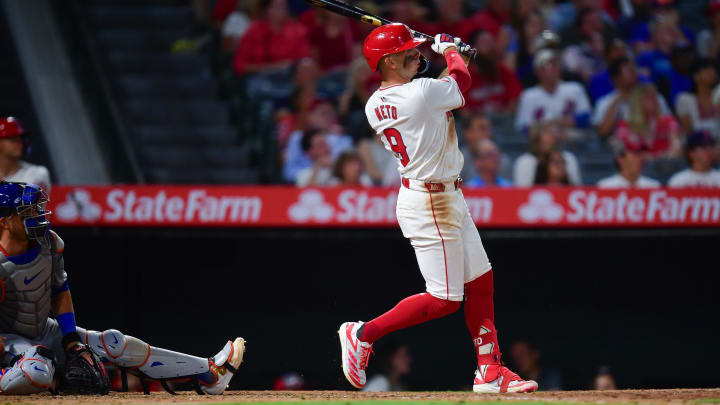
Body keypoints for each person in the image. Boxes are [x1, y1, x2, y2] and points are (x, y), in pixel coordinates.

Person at [338, 24, 538, 394]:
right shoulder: (417, 95)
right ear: (390, 62)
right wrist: (449, 49)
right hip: (430, 202)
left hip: (445, 197)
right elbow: (458, 82)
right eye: (410, 53)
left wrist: (446, 53)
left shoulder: (380, 101)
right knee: (445, 299)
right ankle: (363, 334)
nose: (418, 55)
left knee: (481, 279)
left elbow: (438, 87)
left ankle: (488, 370)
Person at [0, 182, 245, 395]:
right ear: (5, 222)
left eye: (35, 208)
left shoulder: (50, 243)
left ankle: (209, 373)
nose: (37, 215)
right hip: (9, 339)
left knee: (114, 342)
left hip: (44, 330)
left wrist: (71, 339)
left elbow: (59, 291)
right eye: (27, 211)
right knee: (36, 370)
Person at [592, 57, 671, 138]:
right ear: (616, 79)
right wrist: (617, 102)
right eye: (630, 71)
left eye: (635, 69)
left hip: (655, 141)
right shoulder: (605, 102)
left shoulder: (653, 96)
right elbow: (603, 132)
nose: (635, 73)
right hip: (618, 147)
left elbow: (669, 125)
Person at [514, 49, 591, 132]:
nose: (554, 69)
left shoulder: (575, 88)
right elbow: (523, 128)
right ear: (538, 71)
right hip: (542, 142)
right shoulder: (528, 96)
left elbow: (587, 118)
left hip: (574, 140)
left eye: (556, 64)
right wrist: (548, 128)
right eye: (548, 65)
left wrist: (556, 122)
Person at [614, 83, 682, 158]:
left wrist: (653, 157)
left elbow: (677, 148)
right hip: (636, 167)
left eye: (654, 97)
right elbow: (622, 153)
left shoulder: (669, 121)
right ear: (637, 102)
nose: (653, 101)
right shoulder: (625, 126)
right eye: (648, 98)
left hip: (664, 165)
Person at [513, 122, 582, 186]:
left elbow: (576, 187)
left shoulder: (568, 158)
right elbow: (522, 191)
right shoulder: (525, 161)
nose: (554, 135)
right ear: (537, 135)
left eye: (556, 131)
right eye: (548, 131)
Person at [0, 117, 51, 194]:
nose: (20, 143)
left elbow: (31, 204)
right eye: (13, 138)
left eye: (21, 138)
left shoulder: (37, 173)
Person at [675, 59, 720, 140]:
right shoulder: (684, 99)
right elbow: (689, 132)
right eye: (706, 69)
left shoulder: (718, 96)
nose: (712, 72)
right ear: (696, 76)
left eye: (713, 69)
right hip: (696, 146)